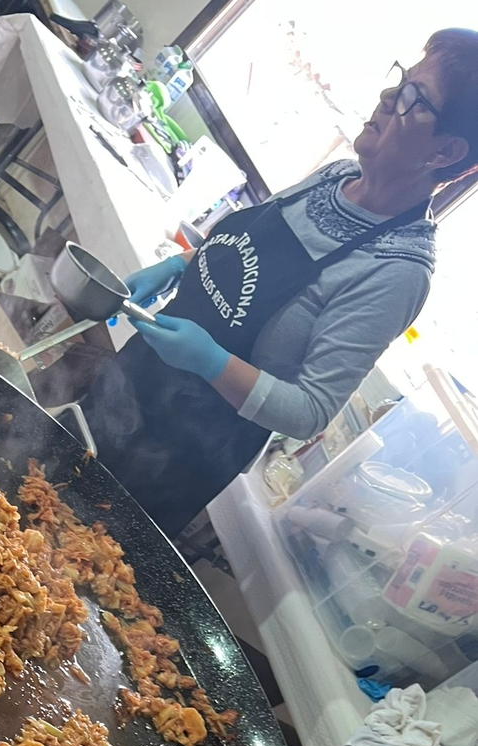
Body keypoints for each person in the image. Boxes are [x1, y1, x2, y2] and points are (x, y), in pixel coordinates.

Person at [79, 29, 478, 539]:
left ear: (446, 151)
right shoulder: (336, 175)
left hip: (183, 446)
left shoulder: (397, 269)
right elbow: (249, 251)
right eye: (400, 80)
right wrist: (182, 264)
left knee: (71, 554)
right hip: (136, 376)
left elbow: (310, 410)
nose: (386, 96)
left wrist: (210, 360)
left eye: (412, 98)